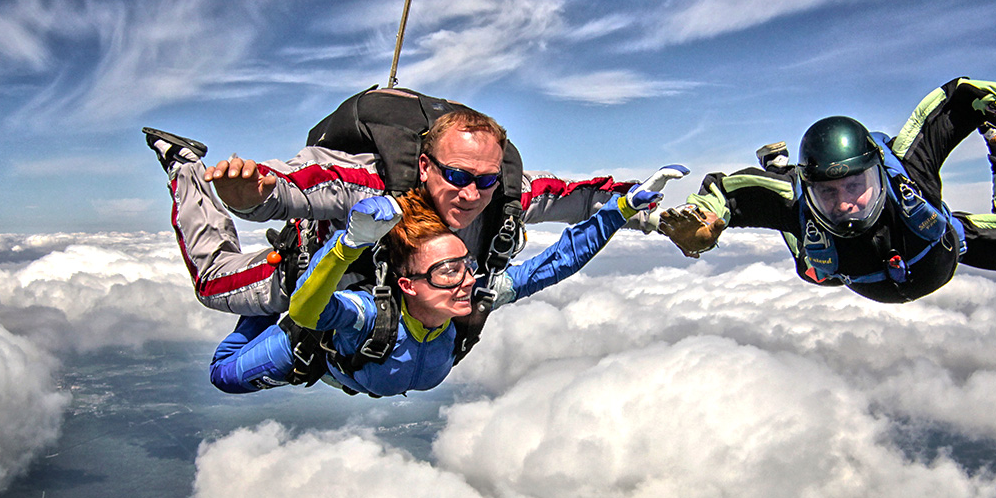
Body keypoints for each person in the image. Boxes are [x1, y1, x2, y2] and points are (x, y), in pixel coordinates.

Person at [145, 90, 640, 317]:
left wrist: (650, 212)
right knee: (213, 284)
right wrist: (250, 197)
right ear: (424, 166)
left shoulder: (504, 196)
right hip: (320, 273)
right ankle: (182, 163)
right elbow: (300, 184)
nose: (471, 194)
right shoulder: (372, 185)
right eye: (456, 176)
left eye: (485, 180)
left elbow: (584, 197)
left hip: (402, 296)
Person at [208, 166, 685, 396]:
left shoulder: (476, 296)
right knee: (225, 376)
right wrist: (347, 245)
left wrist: (620, 210)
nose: (466, 280)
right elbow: (308, 311)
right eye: (447, 271)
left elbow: (556, 263)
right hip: (317, 352)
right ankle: (184, 166)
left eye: (464, 264)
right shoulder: (370, 315)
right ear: (408, 285)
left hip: (362, 368)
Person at [658, 77, 996, 303]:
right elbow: (726, 191)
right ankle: (778, 169)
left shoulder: (907, 170)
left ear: (877, 173)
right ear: (810, 187)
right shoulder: (796, 197)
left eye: (854, 186)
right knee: (813, 268)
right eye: (827, 192)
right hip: (871, 266)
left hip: (940, 246)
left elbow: (956, 99)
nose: (845, 203)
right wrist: (705, 221)